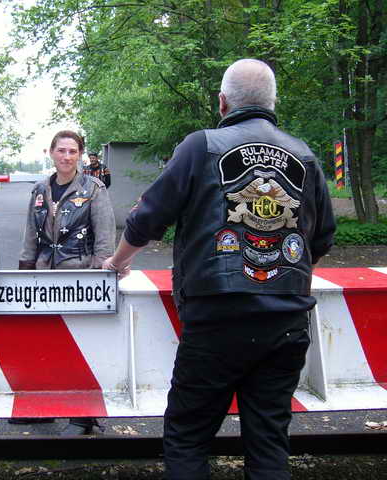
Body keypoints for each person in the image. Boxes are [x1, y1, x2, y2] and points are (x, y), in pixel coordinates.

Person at [103, 59, 336, 479]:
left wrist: (118, 261)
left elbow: (148, 217)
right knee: (269, 443)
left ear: (223, 102)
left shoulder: (200, 146)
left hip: (216, 318)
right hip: (286, 322)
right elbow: (320, 241)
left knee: (188, 437)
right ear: (273, 102)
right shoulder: (304, 154)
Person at [19, 130, 116, 435]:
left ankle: (83, 415)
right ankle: (44, 408)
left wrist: (101, 276)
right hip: (44, 275)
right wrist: (24, 271)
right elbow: (30, 234)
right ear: (51, 152)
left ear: (80, 155)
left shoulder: (94, 188)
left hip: (80, 277)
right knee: (45, 341)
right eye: (61, 150)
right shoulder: (39, 189)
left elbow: (105, 237)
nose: (66, 156)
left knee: (83, 346)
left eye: (73, 151)